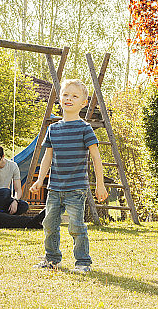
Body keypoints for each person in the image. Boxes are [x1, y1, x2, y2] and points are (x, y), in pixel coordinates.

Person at [30, 79, 108, 273]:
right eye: (65, 95)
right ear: (59, 99)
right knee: (49, 223)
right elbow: (47, 157)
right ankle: (52, 259)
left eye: (74, 96)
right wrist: (40, 180)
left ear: (83, 103)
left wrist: (100, 185)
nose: (69, 99)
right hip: (54, 187)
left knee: (75, 225)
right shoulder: (53, 129)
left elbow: (96, 158)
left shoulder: (85, 128)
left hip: (76, 189)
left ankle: (83, 262)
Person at [0, 144, 45, 229]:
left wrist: (15, 201)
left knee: (23, 205)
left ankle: (4, 216)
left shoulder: (13, 166)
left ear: (3, 156)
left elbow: (18, 190)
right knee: (5, 192)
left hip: (4, 200)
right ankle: (5, 216)